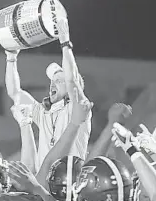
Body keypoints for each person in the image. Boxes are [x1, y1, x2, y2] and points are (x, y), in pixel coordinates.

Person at [5, 17, 92, 173]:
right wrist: (11, 58)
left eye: (58, 80)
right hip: (45, 184)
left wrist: (65, 43)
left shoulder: (78, 107)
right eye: (52, 80)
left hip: (70, 182)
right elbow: (14, 92)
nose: (52, 84)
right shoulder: (43, 113)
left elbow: (72, 81)